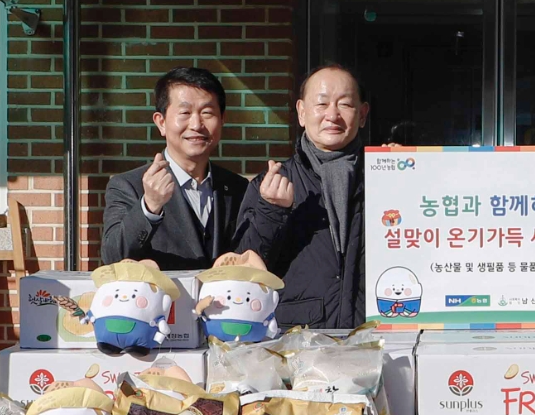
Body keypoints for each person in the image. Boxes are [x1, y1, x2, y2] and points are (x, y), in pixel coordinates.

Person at [234, 64, 369, 329]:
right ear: (301, 112)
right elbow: (241, 268)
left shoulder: (384, 179)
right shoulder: (272, 183)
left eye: (345, 105)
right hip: (298, 338)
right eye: (321, 104)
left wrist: (404, 174)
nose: (332, 115)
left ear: (363, 114)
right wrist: (271, 211)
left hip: (372, 333)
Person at [100, 66, 247, 270]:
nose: (196, 124)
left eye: (207, 112)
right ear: (161, 122)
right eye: (185, 112)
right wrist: (150, 206)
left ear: (222, 119)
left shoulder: (238, 187)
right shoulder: (128, 185)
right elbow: (113, 256)